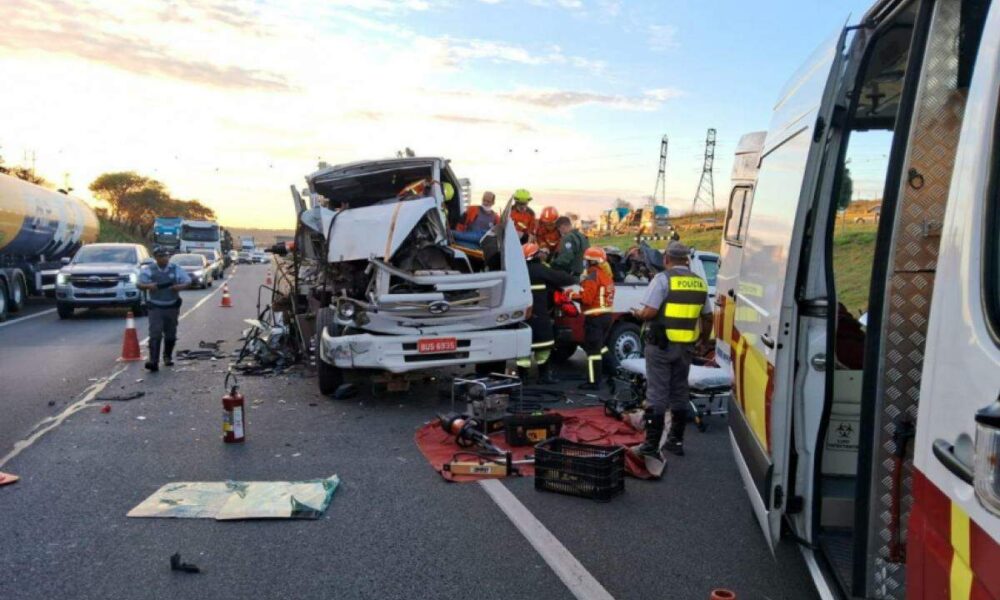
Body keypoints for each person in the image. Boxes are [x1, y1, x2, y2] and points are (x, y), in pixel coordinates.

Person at [630, 241, 711, 460]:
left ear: (666, 258)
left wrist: (637, 314)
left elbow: (649, 312)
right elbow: (708, 317)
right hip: (685, 348)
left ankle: (650, 446)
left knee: (656, 394)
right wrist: (703, 342)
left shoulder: (662, 280)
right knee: (679, 392)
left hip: (660, 346)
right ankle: (676, 441)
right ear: (687, 259)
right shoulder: (700, 283)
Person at [518, 243, 577, 384]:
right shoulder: (540, 269)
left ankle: (523, 378)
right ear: (536, 255)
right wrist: (574, 278)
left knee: (522, 349)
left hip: (521, 317)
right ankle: (544, 376)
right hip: (539, 316)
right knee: (543, 347)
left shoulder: (517, 271)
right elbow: (561, 279)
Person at [138, 247, 191, 372]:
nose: (164, 258)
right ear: (156, 258)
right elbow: (139, 284)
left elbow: (187, 280)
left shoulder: (175, 268)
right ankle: (153, 361)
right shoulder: (150, 270)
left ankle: (167, 356)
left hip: (171, 306)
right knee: (155, 333)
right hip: (156, 307)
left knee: (170, 334)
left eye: (166, 256)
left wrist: (179, 286)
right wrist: (148, 286)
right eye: (161, 256)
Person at [571, 247, 615, 390]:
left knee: (593, 351)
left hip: (595, 317)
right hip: (606, 316)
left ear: (591, 262)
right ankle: (614, 369)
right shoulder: (606, 275)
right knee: (600, 346)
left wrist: (571, 295)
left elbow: (587, 299)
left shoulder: (592, 275)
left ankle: (594, 382)